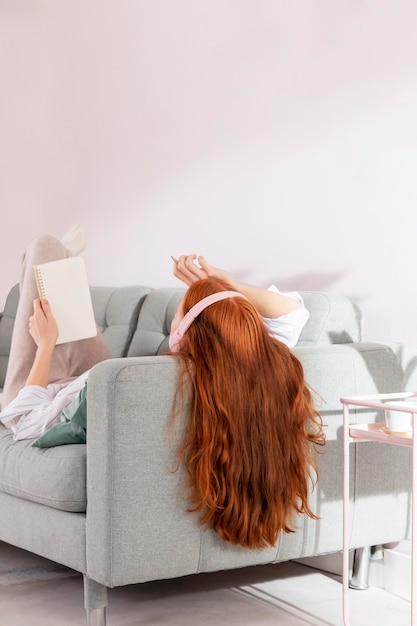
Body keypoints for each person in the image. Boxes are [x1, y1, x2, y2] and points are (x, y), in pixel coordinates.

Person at [0, 236, 325, 549]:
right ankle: (56, 264)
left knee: (42, 249)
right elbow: (294, 314)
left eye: (175, 317)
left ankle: (50, 262)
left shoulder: (152, 379)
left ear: (186, 335)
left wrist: (45, 345)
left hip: (44, 394)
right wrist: (227, 283)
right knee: (49, 258)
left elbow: (23, 421)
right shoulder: (246, 366)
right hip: (97, 385)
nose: (172, 323)